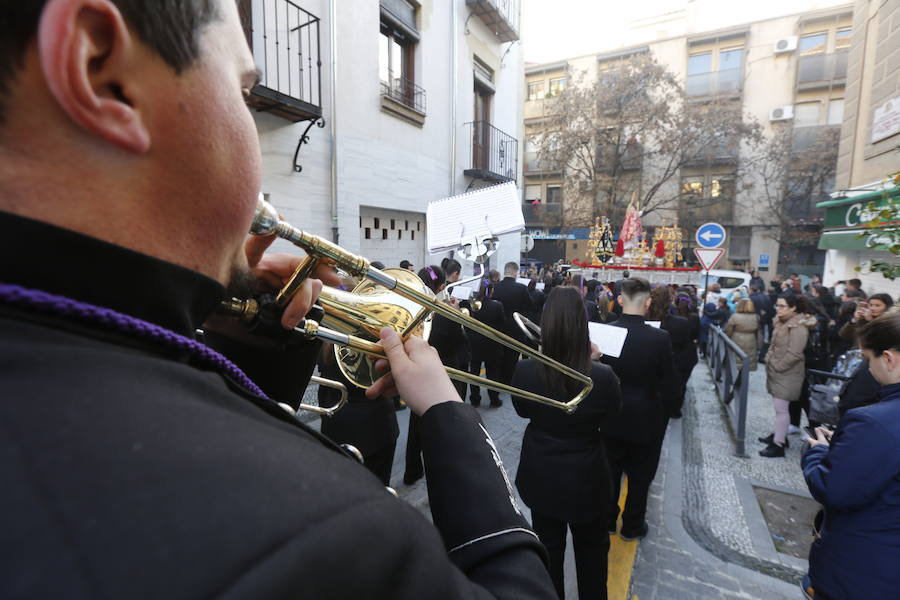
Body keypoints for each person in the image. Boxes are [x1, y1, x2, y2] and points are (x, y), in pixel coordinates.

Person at [0, 3, 557, 598]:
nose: (250, 116)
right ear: (102, 70)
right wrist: (448, 414)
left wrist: (254, 348)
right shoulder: (329, 528)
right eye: (243, 91)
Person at [511, 287, 622, 600]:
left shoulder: (525, 368)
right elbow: (612, 421)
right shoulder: (603, 376)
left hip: (541, 473)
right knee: (593, 553)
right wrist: (595, 363)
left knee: (548, 548)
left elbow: (522, 411)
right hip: (588, 477)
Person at [801, 313, 900, 600]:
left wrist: (818, 452)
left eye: (868, 359)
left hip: (864, 571)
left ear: (888, 358)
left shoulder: (873, 421)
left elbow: (834, 489)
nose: (868, 368)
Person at [599, 278, 679, 540]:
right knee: (640, 475)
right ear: (648, 303)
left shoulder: (606, 332)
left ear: (620, 300)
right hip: (647, 413)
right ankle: (633, 525)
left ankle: (607, 519)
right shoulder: (660, 337)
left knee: (610, 470)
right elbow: (670, 384)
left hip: (612, 412)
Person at [404, 265, 468, 484]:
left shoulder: (410, 309)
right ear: (441, 287)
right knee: (446, 426)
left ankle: (412, 470)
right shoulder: (446, 314)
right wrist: (457, 316)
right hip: (444, 374)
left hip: (417, 371)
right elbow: (461, 344)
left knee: (416, 422)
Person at [317, 342, 399, 486]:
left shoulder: (326, 342)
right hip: (376, 426)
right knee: (376, 486)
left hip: (336, 421)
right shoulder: (371, 342)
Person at [758, 295, 809, 457]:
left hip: (788, 373)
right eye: (777, 305)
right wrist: (769, 359)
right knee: (780, 408)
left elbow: (795, 353)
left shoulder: (797, 326)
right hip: (778, 371)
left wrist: (778, 366)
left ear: (793, 308)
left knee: (781, 410)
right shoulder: (781, 321)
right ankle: (780, 436)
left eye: (782, 306)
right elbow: (773, 345)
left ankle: (778, 444)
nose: (778, 309)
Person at [647, 286, 691, 417]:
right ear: (670, 301)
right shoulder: (681, 323)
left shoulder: (644, 321)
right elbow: (684, 346)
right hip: (670, 373)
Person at [491, 261, 534, 390]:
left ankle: (498, 380)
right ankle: (508, 382)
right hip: (516, 328)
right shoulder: (521, 288)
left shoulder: (495, 287)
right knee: (512, 356)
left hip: (498, 327)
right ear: (516, 272)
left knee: (499, 355)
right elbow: (530, 305)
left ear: (505, 271)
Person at [467, 279, 506, 407]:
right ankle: (494, 399)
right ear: (491, 291)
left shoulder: (471, 304)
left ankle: (474, 399)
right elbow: (502, 323)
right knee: (493, 374)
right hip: (492, 343)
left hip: (474, 343)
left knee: (474, 372)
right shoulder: (497, 305)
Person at [724, 298, 759, 371]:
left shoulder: (735, 316)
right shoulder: (755, 317)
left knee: (736, 357)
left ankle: (735, 375)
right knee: (749, 357)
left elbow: (728, 330)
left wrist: (727, 338)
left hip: (736, 338)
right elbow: (758, 331)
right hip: (751, 339)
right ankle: (745, 375)